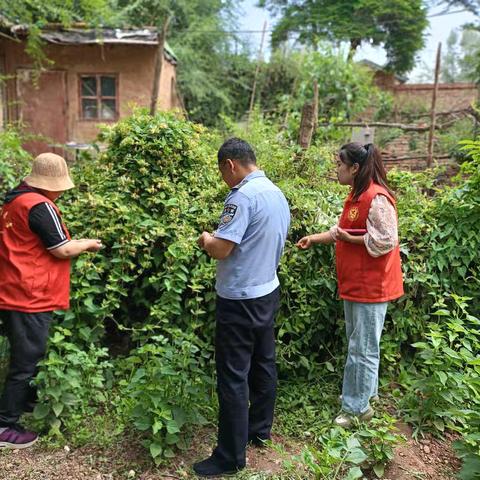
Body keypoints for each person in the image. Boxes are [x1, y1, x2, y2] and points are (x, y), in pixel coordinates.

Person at [194, 138, 290, 477]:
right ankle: (259, 430)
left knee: (233, 375)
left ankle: (229, 457)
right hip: (268, 290)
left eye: (223, 172)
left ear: (230, 165)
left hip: (240, 300)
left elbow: (222, 249)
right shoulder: (276, 193)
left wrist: (207, 239)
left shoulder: (242, 197)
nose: (224, 179)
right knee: (263, 364)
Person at [296, 142, 403, 428]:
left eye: (339, 164)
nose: (336, 169)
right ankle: (367, 395)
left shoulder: (376, 198)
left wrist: (350, 240)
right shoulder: (356, 197)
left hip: (372, 286)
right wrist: (315, 239)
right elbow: (341, 231)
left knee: (362, 348)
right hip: (356, 285)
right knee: (363, 345)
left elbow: (385, 240)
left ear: (355, 168)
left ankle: (357, 409)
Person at [0, 153, 102, 449]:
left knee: (27, 353)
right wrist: (88, 244)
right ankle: (5, 425)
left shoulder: (14, 201)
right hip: (29, 294)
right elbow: (62, 249)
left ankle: (27, 402)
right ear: (50, 185)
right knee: (26, 360)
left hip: (13, 288)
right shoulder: (40, 207)